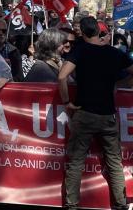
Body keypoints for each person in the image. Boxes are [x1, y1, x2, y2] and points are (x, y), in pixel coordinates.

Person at [58, 16, 133, 210]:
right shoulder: (114, 53)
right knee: (115, 162)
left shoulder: (80, 50)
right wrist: (119, 84)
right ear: (99, 32)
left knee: (76, 162)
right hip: (108, 115)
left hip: (84, 113)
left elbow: (62, 76)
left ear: (82, 33)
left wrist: (67, 102)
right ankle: (121, 204)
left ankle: (72, 205)